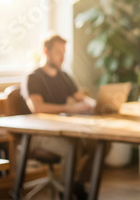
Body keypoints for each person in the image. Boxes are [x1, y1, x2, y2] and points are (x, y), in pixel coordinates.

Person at [21, 34, 95, 199]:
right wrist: (71, 108)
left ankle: (77, 183)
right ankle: (65, 192)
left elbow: (81, 98)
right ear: (46, 51)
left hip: (64, 129)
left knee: (99, 143)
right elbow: (37, 108)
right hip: (40, 134)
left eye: (64, 52)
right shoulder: (33, 77)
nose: (62, 57)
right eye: (58, 52)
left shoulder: (64, 76)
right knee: (72, 146)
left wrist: (95, 104)